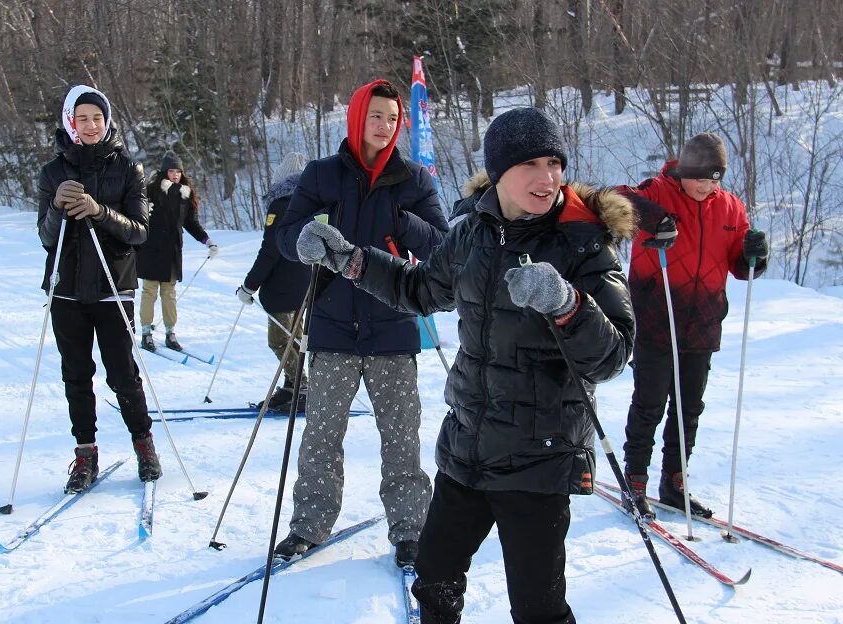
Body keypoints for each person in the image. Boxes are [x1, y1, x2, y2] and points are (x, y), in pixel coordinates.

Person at [293, 107, 636, 623]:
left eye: (553, 163)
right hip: (467, 448)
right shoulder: (472, 234)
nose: (546, 178)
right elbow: (419, 289)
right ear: (498, 173)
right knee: (433, 580)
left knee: (537, 609)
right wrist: (350, 260)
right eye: (529, 165)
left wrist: (567, 304)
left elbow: (613, 355)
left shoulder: (583, 243)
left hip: (538, 460)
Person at [273, 79, 450, 568]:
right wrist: (302, 239)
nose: (385, 126)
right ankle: (308, 525)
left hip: (393, 325)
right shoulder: (321, 174)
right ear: (357, 117)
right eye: (376, 116)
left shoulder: (414, 180)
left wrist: (400, 222)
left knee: (401, 437)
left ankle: (411, 530)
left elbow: (441, 245)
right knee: (321, 437)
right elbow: (287, 235)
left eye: (393, 119)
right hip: (332, 325)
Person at [619, 132, 769, 519]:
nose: (705, 186)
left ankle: (675, 481)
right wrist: (652, 218)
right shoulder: (658, 191)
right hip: (656, 314)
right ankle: (634, 480)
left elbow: (739, 264)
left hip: (702, 321)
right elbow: (613, 200)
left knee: (689, 407)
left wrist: (754, 255)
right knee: (649, 402)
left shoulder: (731, 208)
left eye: (713, 178)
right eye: (698, 177)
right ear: (683, 171)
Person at [36, 85, 162, 493]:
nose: (90, 126)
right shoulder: (52, 172)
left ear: (106, 121)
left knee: (123, 374)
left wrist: (100, 211)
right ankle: (85, 454)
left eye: (97, 118)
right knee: (76, 374)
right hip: (67, 289)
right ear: (69, 121)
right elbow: (45, 237)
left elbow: (140, 232)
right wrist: (58, 207)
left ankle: (144, 445)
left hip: (113, 286)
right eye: (82, 118)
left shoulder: (129, 169)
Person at [235, 152, 311, 412]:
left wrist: (249, 285)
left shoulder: (280, 205)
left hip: (282, 284)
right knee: (296, 339)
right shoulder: (310, 204)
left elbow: (270, 250)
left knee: (279, 341)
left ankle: (301, 388)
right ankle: (293, 387)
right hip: (304, 282)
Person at [137, 151, 219, 352]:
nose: (175, 175)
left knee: (169, 293)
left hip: (172, 251)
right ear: (165, 172)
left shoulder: (185, 194)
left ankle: (170, 332)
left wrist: (207, 241)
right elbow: (139, 216)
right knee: (149, 291)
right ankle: (146, 332)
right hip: (151, 249)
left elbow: (190, 223)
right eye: (171, 171)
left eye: (178, 171)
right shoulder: (151, 191)